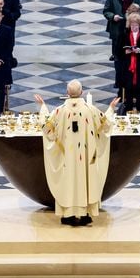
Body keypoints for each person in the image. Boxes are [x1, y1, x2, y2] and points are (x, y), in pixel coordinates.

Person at [34, 79, 120, 226]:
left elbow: (46, 128)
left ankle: (68, 214)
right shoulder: (90, 109)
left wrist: (42, 107)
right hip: (85, 158)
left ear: (67, 93)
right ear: (82, 92)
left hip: (67, 158)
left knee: (69, 179)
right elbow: (105, 124)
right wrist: (111, 108)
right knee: (84, 178)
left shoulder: (60, 111)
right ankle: (85, 213)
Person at [103, 0, 140, 91]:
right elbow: (106, 11)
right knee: (118, 58)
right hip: (117, 31)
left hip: (131, 30)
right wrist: (112, 16)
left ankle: (130, 83)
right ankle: (119, 84)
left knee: (130, 57)